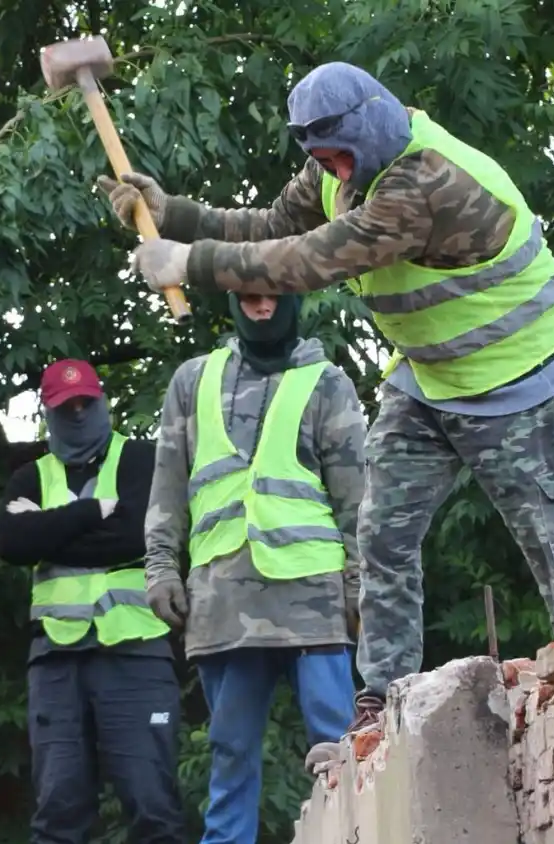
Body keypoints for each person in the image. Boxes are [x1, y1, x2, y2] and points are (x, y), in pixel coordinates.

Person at [99, 60, 554, 743]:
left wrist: (189, 262)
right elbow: (276, 224)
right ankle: (382, 693)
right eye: (318, 158)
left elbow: (308, 260)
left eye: (338, 154)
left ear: (369, 125)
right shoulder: (338, 167)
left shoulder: (424, 182)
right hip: (430, 376)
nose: (332, 171)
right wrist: (175, 215)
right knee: (381, 533)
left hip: (524, 375)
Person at [142, 289, 366, 843]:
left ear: (291, 299)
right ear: (233, 302)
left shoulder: (327, 383)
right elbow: (167, 485)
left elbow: (360, 499)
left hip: (314, 599)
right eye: (248, 296)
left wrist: (363, 584)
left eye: (271, 296)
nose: (260, 307)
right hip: (223, 603)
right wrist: (161, 567)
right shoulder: (193, 381)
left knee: (340, 753)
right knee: (231, 758)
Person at [0, 358, 184, 844]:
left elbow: (138, 536)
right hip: (57, 659)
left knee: (152, 807)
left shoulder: (144, 460)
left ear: (103, 403)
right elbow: (12, 543)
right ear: (48, 412)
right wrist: (91, 511)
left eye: (86, 403)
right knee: (58, 810)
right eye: (66, 406)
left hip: (136, 652)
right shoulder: (29, 476)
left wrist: (51, 528)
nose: (77, 414)